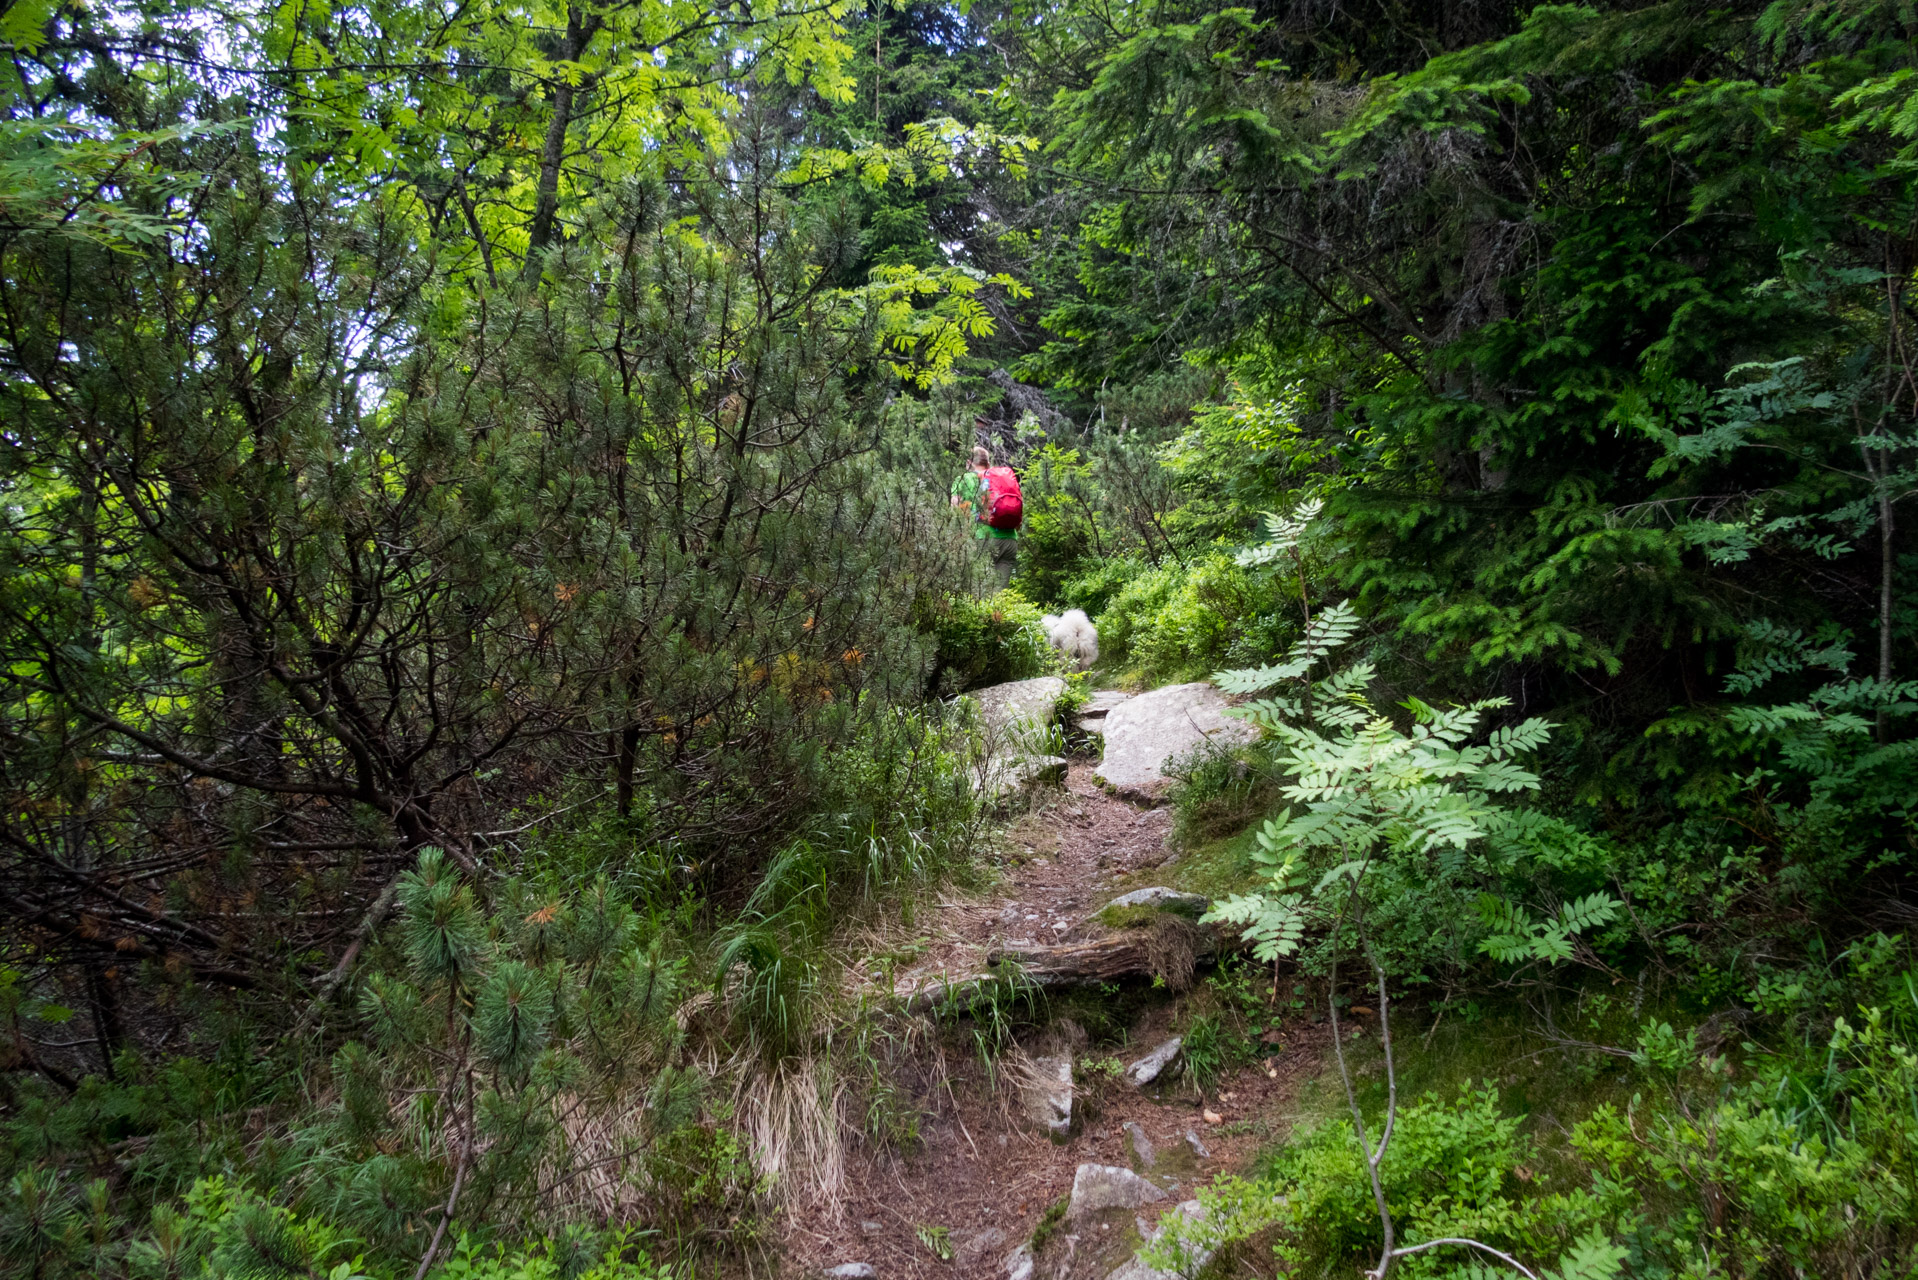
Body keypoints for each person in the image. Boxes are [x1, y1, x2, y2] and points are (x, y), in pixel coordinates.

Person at [950, 444, 1019, 592]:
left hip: (982, 540)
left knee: (978, 592)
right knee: (1000, 596)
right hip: (1009, 539)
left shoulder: (963, 479)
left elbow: (954, 511)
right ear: (988, 463)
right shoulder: (1002, 478)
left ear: (969, 462)